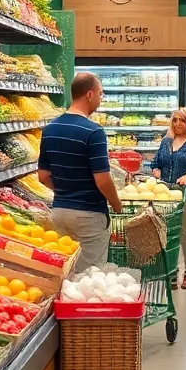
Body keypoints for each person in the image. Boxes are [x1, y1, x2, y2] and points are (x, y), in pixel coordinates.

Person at [37, 72, 123, 272]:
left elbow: (42, 176)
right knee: (90, 277)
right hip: (89, 214)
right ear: (89, 94)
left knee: (64, 272)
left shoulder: (49, 129)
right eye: (101, 94)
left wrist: (67, 189)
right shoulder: (94, 131)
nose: (101, 100)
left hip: (59, 212)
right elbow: (102, 180)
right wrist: (116, 205)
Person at [151, 107, 186, 290]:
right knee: (166, 232)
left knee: (185, 232)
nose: (178, 124)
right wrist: (156, 170)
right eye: (175, 120)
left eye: (182, 120)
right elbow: (156, 162)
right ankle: (171, 270)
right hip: (165, 193)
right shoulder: (166, 142)